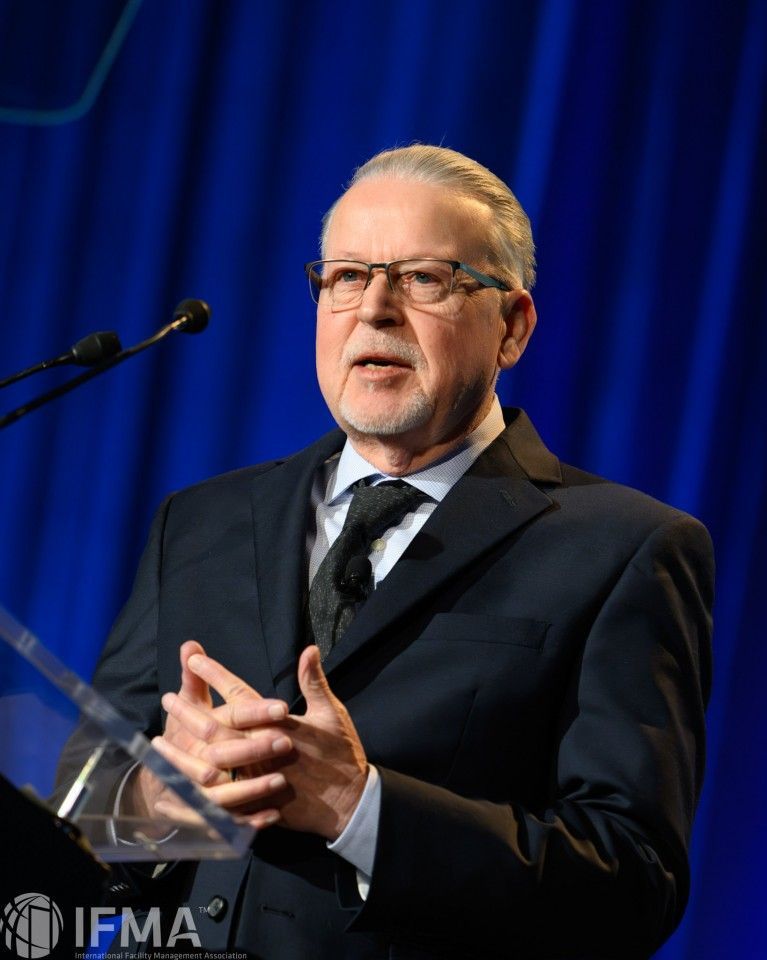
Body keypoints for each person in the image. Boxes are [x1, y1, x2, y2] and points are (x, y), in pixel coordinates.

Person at [92, 145, 713, 959]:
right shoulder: (202, 520)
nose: (374, 308)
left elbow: (630, 884)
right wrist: (152, 801)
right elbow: (89, 786)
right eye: (346, 276)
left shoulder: (623, 548)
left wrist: (361, 809)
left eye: (424, 278)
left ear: (512, 328)